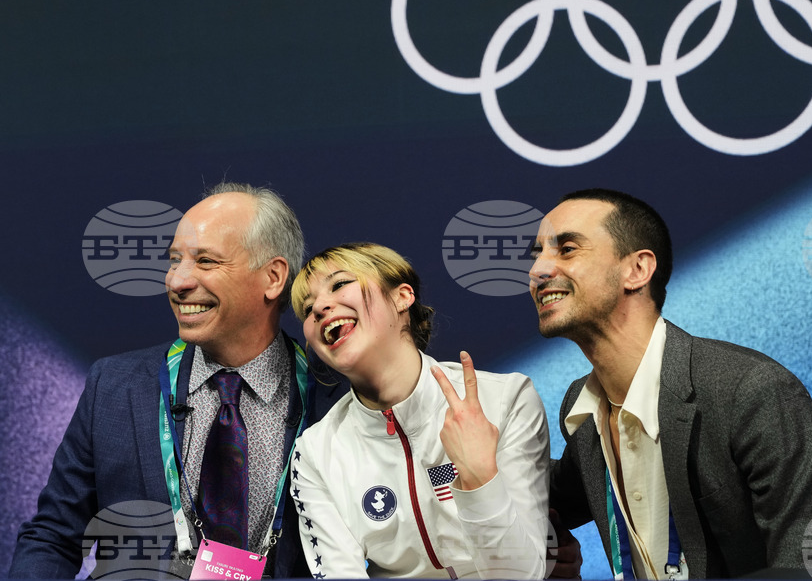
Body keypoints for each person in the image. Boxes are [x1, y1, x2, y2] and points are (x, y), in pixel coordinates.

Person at [9, 183, 343, 579]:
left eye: (205, 262)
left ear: (273, 278)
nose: (177, 281)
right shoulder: (114, 387)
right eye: (174, 261)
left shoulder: (337, 399)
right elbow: (52, 537)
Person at [531, 188, 812, 579]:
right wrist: (454, 462)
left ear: (637, 270)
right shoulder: (580, 409)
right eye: (538, 254)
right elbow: (544, 492)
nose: (538, 271)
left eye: (566, 249)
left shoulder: (749, 391)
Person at [289, 242, 550, 579]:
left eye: (340, 284)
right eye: (308, 309)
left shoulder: (505, 399)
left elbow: (521, 575)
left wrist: (479, 479)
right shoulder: (314, 452)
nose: (321, 307)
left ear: (402, 297)